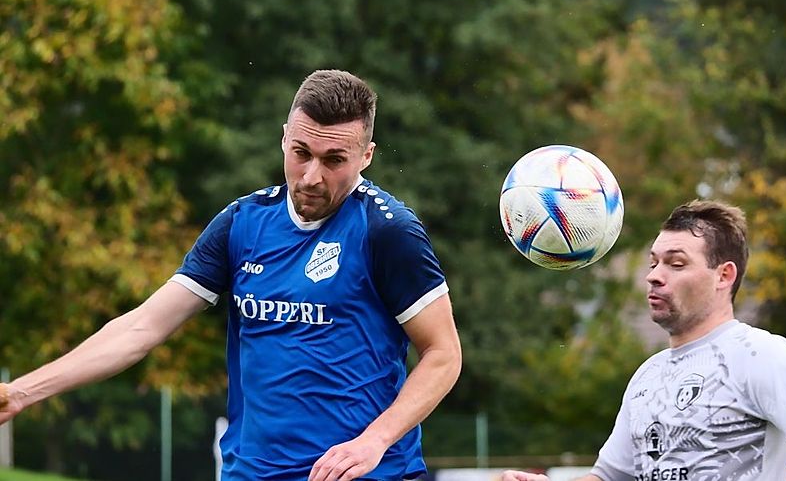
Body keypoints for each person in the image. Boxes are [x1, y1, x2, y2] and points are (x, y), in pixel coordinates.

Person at [0, 69, 462, 481]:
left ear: (366, 156)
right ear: (284, 138)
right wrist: (22, 392)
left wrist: (373, 441)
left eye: (334, 160)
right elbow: (141, 328)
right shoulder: (243, 223)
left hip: (366, 474)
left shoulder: (387, 231)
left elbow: (443, 354)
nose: (311, 177)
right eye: (301, 153)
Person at [502, 199, 786, 481]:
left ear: (724, 276)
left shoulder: (759, 354)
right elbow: (610, 477)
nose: (654, 276)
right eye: (653, 263)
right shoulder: (647, 376)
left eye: (675, 264)